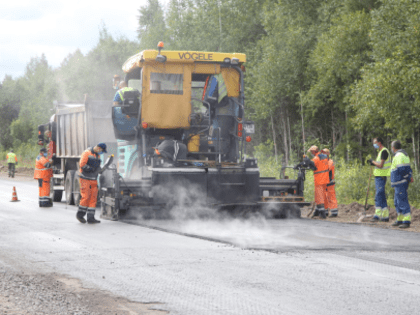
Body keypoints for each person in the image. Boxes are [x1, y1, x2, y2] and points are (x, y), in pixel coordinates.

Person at [76, 143, 107, 224]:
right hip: (85, 179)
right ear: (98, 148)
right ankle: (80, 215)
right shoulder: (87, 153)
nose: (102, 153)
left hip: (93, 179)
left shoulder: (97, 156)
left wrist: (101, 170)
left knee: (93, 199)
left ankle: (91, 218)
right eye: (102, 151)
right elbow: (82, 164)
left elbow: (97, 167)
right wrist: (91, 169)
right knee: (86, 197)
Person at [390, 140, 413, 229]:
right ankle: (400, 219)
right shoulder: (402, 154)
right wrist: (409, 176)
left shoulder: (399, 155)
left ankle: (406, 221)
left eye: (391, 147)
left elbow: (402, 169)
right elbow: (408, 168)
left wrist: (407, 177)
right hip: (398, 182)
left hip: (400, 182)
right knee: (397, 201)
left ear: (393, 148)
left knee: (402, 200)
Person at [367, 137, 392, 222]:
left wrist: (372, 161)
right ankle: (385, 216)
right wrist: (373, 163)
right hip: (379, 176)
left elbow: (381, 165)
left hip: (381, 177)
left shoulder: (384, 151)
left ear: (379, 143)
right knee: (381, 196)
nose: (374, 144)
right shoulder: (381, 152)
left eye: (375, 143)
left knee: (378, 195)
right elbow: (379, 164)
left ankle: (377, 215)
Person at [306, 145, 330, 219]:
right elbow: (319, 166)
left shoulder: (316, 158)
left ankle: (322, 214)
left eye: (311, 152)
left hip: (319, 180)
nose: (311, 153)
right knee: (323, 196)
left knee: (319, 196)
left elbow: (312, 164)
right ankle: (319, 211)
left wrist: (307, 160)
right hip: (325, 179)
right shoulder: (324, 157)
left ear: (314, 151)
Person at [322, 148, 338, 217]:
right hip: (324, 183)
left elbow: (326, 169)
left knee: (331, 197)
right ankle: (325, 211)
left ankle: (334, 212)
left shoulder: (330, 162)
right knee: (324, 197)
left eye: (325, 153)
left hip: (330, 182)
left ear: (328, 154)